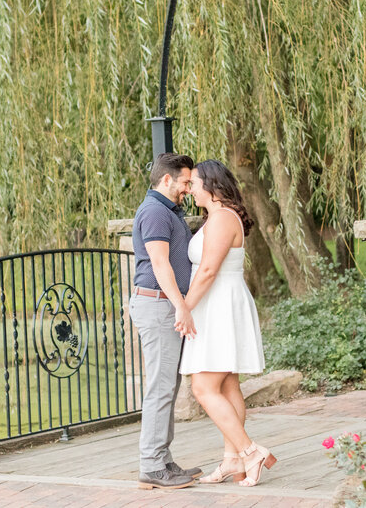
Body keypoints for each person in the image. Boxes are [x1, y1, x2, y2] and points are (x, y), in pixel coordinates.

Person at [178, 159, 276, 487]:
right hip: (218, 304)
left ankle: (250, 451)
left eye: (194, 183)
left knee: (203, 387)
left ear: (211, 185)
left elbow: (208, 271)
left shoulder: (221, 219)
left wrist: (184, 308)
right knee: (227, 384)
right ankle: (232, 460)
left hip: (218, 305)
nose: (190, 188)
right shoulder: (218, 217)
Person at [129, 153, 202, 490]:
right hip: (159, 305)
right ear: (167, 180)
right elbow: (160, 265)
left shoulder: (165, 210)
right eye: (186, 182)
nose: (189, 188)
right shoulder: (156, 212)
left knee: (167, 388)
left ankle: (162, 459)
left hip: (161, 305)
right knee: (161, 388)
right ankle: (152, 466)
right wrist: (181, 307)